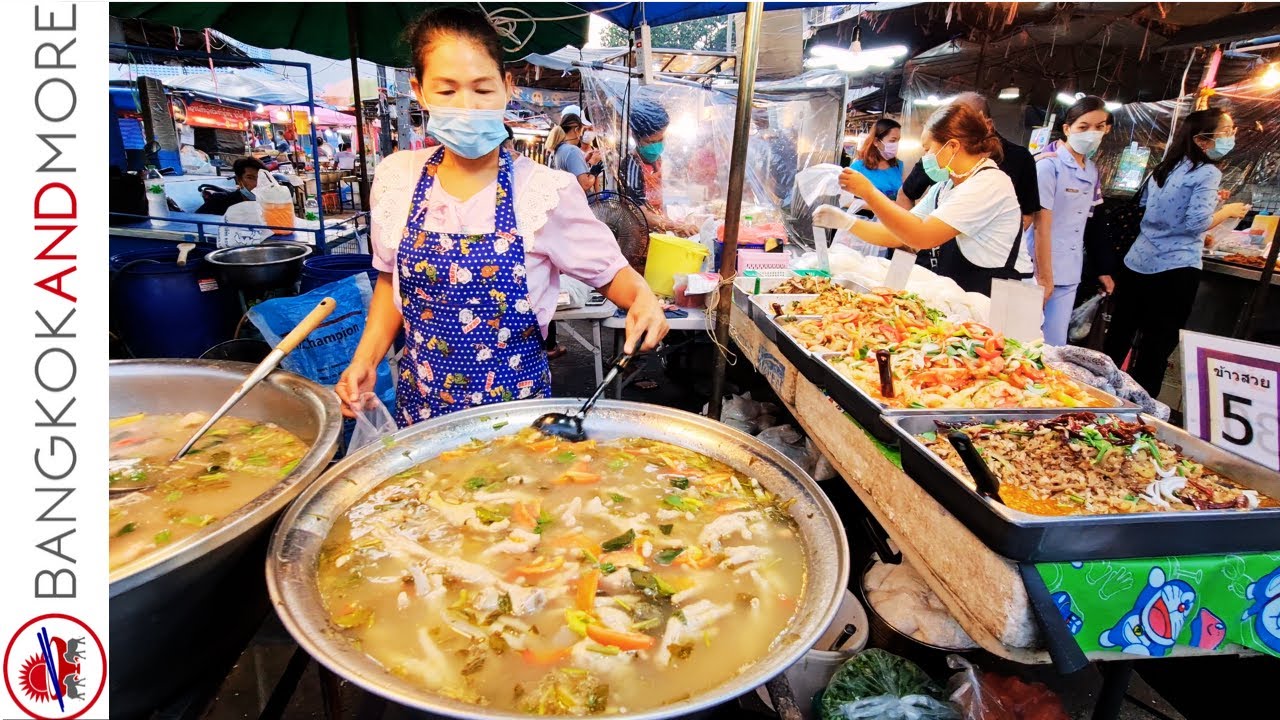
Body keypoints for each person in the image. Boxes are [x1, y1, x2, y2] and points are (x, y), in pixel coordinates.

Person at [337, 8, 668, 426]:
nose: (466, 106)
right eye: (446, 91)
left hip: (516, 415)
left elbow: (615, 276)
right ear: (419, 92)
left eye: (482, 89)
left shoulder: (545, 191)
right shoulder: (396, 179)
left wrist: (644, 302)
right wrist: (366, 359)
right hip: (422, 412)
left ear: (507, 87)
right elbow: (390, 281)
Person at [1103, 108, 1249, 396]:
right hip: (1175, 269)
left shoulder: (1165, 167)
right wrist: (1227, 212)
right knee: (1156, 347)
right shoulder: (1207, 172)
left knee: (1120, 337)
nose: (1232, 136)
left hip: (1137, 262)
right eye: (1227, 131)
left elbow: (1151, 210)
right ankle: (1142, 410)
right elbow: (1196, 223)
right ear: (1202, 140)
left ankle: (1101, 392)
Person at [816, 102, 1031, 296]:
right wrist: (847, 222)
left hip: (1002, 299)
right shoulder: (946, 187)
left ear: (953, 146)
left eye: (928, 149)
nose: (925, 157)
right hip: (969, 294)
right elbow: (899, 234)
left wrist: (870, 193)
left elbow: (921, 235)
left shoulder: (989, 184)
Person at [1028, 96, 1112, 345]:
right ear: (1067, 129)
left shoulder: (1091, 170)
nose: (1092, 134)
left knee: (1055, 344)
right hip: (1039, 267)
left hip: (1069, 268)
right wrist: (1044, 276)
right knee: (1025, 339)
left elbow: (1089, 223)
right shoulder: (1048, 165)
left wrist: (1102, 269)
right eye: (1083, 127)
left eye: (1100, 127)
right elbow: (1041, 225)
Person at [896, 92, 1041, 231]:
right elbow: (911, 224)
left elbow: (1026, 214)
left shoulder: (992, 179)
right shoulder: (943, 177)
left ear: (987, 124)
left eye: (962, 123)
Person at [620, 98, 698, 236]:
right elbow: (638, 211)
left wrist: (670, 224)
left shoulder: (658, 161)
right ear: (635, 137)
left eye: (660, 140)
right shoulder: (631, 165)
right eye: (650, 142)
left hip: (658, 235)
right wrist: (674, 226)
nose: (656, 148)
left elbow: (657, 203)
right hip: (639, 238)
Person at [839, 118, 904, 257]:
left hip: (889, 227)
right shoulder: (858, 167)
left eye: (898, 140)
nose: (896, 145)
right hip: (863, 227)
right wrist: (880, 204)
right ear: (876, 141)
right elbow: (844, 200)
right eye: (892, 140)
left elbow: (903, 197)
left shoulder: (899, 166)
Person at [195, 157, 266, 215]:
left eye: (261, 178)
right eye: (250, 177)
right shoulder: (219, 201)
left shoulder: (270, 204)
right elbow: (194, 223)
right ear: (239, 180)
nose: (257, 183)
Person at [550, 114, 599, 193]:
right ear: (576, 130)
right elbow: (585, 185)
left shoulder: (558, 149)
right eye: (582, 131)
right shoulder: (572, 150)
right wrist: (595, 170)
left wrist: (584, 160)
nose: (581, 135)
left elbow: (569, 170)